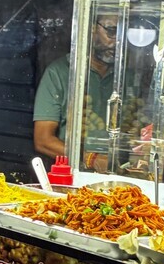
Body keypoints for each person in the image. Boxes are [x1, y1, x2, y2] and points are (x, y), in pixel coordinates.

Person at [33, 15, 118, 167]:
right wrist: (91, 159)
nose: (117, 41)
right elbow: (43, 141)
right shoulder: (59, 72)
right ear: (91, 29)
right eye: (111, 31)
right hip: (74, 171)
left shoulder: (127, 76)